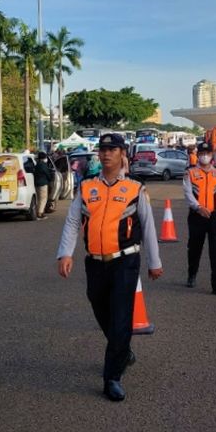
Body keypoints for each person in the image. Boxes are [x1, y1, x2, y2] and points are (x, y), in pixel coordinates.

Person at [56, 133, 162, 402]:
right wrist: (65, 254)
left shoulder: (136, 189)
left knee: (121, 317)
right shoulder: (87, 187)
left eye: (112, 149)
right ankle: (122, 349)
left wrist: (154, 262)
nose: (106, 154)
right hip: (95, 261)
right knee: (99, 306)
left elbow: (148, 226)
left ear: (122, 153)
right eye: (102, 149)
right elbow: (71, 221)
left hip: (125, 260)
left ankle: (112, 376)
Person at [183, 142, 216, 296]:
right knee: (195, 248)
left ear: (212, 155)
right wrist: (198, 207)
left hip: (214, 216)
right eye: (202, 152)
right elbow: (188, 193)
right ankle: (192, 274)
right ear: (198, 154)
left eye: (207, 153)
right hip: (197, 215)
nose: (205, 155)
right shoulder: (190, 173)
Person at [33, 151, 55, 219]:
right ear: (43, 158)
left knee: (39, 199)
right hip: (43, 184)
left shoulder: (37, 165)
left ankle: (38, 212)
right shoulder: (43, 165)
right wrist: (51, 178)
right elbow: (47, 173)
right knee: (43, 199)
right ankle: (40, 213)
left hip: (36, 183)